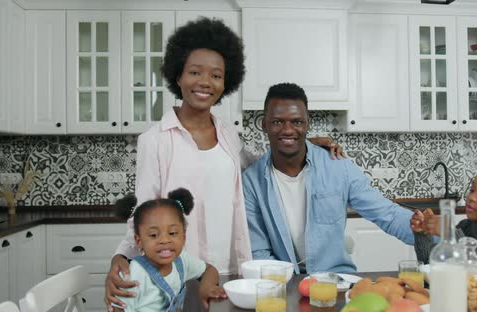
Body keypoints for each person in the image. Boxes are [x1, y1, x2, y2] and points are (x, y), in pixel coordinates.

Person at [105, 18, 344, 310]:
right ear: (178, 76)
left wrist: (304, 145)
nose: (205, 82)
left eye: (216, 75)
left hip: (232, 268)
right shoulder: (154, 141)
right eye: (195, 72)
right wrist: (122, 258)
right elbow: (141, 213)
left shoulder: (228, 133)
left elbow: (260, 166)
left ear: (225, 82)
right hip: (183, 270)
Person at [243, 82, 415, 274]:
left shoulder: (337, 164)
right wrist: (291, 288)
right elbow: (259, 252)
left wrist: (435, 232)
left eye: (297, 122)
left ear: (307, 124)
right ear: (264, 125)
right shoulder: (251, 181)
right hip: (284, 284)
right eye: (277, 122)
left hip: (336, 281)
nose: (288, 130)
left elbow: (387, 214)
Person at [112, 188, 225, 311]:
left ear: (183, 236)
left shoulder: (182, 260)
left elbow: (209, 269)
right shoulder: (134, 274)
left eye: (172, 233)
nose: (165, 240)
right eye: (154, 235)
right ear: (139, 241)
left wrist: (207, 287)